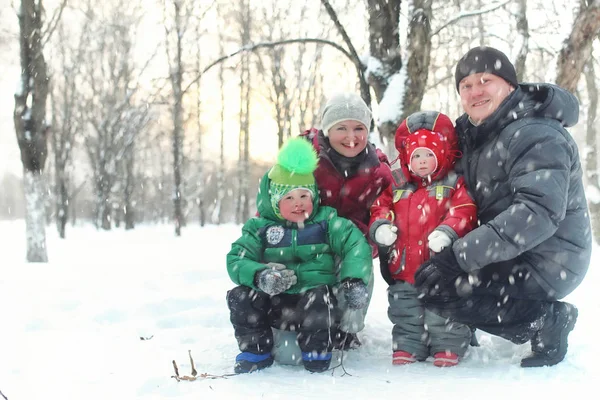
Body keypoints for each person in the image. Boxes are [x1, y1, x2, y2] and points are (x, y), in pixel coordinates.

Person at [414, 46, 591, 368]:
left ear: (510, 85)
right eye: (466, 85)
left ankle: (547, 320)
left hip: (549, 258)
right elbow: (433, 175)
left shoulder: (536, 133)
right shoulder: (474, 135)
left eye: (486, 80)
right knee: (429, 272)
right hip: (513, 251)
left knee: (441, 285)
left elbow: (537, 212)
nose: (475, 91)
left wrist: (460, 256)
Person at [226, 137, 373, 374]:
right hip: (275, 304)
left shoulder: (326, 222)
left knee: (319, 297)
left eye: (304, 196)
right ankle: (255, 350)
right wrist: (261, 276)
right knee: (241, 295)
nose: (298, 204)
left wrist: (354, 279)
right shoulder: (259, 228)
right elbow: (236, 259)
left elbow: (355, 244)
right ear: (275, 203)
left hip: (314, 305)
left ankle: (316, 350)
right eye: (289, 198)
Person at [370, 111, 477, 367]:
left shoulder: (453, 183)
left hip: (440, 266)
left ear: (441, 155)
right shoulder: (396, 185)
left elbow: (464, 211)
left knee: (442, 308)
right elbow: (379, 207)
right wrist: (381, 226)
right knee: (406, 308)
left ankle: (448, 344)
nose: (422, 160)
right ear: (407, 157)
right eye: (416, 155)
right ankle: (408, 343)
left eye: (429, 154)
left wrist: (447, 231)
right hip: (403, 265)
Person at [299, 92, 394, 349]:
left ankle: (346, 330)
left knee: (358, 263)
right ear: (327, 129)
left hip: (353, 247)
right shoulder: (303, 158)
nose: (351, 137)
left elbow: (384, 211)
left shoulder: (377, 170)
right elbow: (275, 201)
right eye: (341, 128)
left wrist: (365, 238)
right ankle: (295, 319)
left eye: (359, 128)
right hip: (305, 241)